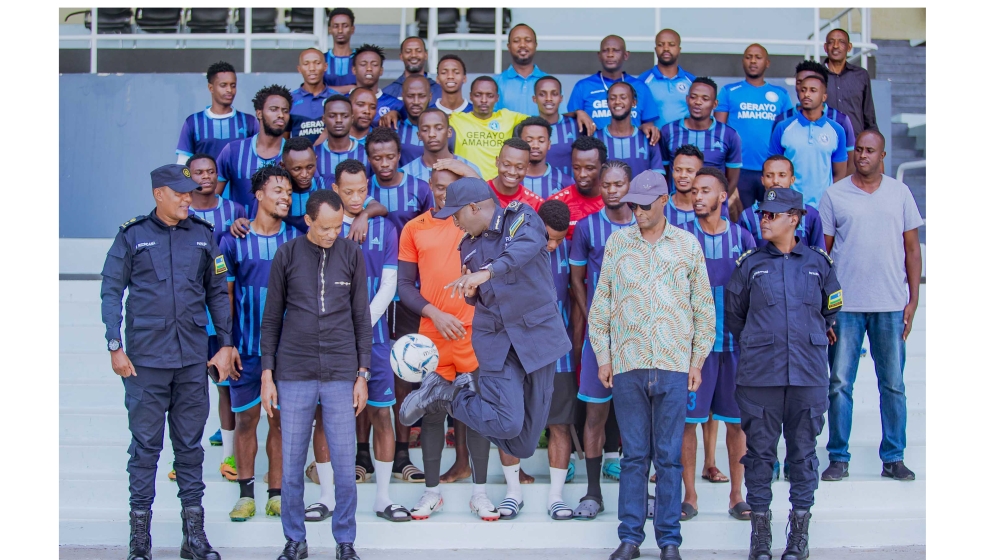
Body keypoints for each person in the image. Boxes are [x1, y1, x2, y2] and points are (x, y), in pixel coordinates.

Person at [101, 163, 238, 560]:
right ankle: (139, 542)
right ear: (158, 193)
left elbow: (217, 292)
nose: (187, 198)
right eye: (179, 192)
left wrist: (225, 344)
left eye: (190, 191)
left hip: (192, 361)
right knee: (145, 449)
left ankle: (193, 537)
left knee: (190, 449)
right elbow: (111, 291)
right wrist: (114, 344)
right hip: (144, 363)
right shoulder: (133, 236)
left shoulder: (202, 236)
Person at [398, 178, 573, 469]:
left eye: (456, 215)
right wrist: (472, 294)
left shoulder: (521, 218)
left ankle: (452, 395)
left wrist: (487, 273)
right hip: (497, 343)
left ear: (474, 207)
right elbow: (482, 298)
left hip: (537, 340)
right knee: (506, 424)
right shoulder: (467, 246)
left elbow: (527, 247)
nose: (454, 223)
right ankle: (448, 395)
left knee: (525, 444)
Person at [589, 169, 715, 560]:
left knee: (669, 457)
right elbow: (602, 306)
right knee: (633, 456)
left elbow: (703, 309)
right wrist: (604, 356)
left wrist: (697, 361)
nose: (637, 211)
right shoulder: (617, 243)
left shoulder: (687, 245)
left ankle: (669, 540)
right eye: (632, 205)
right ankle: (630, 538)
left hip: (675, 364)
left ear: (663, 201)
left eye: (644, 205)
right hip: (628, 363)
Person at [725, 187, 842, 560]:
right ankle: (760, 536)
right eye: (762, 213)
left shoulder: (818, 263)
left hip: (808, 375)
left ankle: (798, 536)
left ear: (794, 218)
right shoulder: (750, 264)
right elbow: (734, 317)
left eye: (773, 215)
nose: (764, 219)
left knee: (804, 456)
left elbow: (831, 307)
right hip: (760, 377)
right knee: (759, 456)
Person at [258, 189, 370, 560]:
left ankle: (345, 542)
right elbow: (272, 317)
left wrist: (362, 374)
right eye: (325, 228)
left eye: (338, 227)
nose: (332, 234)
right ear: (308, 221)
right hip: (294, 371)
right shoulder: (287, 254)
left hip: (341, 370)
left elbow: (361, 318)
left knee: (343, 462)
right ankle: (295, 540)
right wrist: (267, 374)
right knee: (291, 463)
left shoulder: (352, 254)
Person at [397, 166, 500, 521]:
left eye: (453, 189)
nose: (445, 195)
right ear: (430, 187)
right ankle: (431, 492)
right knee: (432, 412)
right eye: (439, 187)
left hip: (476, 332)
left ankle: (480, 494)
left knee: (478, 412)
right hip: (434, 334)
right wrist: (436, 314)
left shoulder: (478, 220)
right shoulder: (414, 228)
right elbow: (404, 286)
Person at [819, 130, 922, 482]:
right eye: (858, 150)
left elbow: (912, 249)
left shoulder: (900, 193)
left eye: (870, 151)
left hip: (890, 304)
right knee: (839, 383)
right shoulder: (834, 195)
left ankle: (894, 457)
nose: (862, 156)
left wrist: (913, 299)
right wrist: (825, 308)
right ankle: (838, 457)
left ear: (883, 154)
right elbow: (823, 255)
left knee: (892, 383)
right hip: (846, 306)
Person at [325, 159, 412, 522]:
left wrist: (359, 325)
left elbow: (390, 284)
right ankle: (329, 498)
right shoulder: (325, 228)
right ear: (335, 190)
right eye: (348, 192)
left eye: (362, 190)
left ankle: (383, 497)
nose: (357, 197)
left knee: (381, 413)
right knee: (328, 415)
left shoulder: (384, 228)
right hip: (330, 339)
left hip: (374, 340)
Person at [218, 165, 301, 523]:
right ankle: (246, 495)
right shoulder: (232, 240)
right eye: (278, 190)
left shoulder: (296, 240)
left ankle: (277, 494)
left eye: (289, 192)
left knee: (280, 422)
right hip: (245, 350)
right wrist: (227, 343)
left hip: (287, 352)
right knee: (247, 420)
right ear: (258, 195)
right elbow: (224, 297)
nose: (286, 196)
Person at [679, 167, 756, 524]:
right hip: (695, 351)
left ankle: (736, 496)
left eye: (705, 190)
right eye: (694, 191)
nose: (697, 196)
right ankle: (690, 495)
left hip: (735, 347)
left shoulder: (743, 238)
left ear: (722, 197)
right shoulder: (680, 238)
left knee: (737, 425)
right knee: (688, 424)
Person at [365, 126, 434, 482]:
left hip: (409, 292)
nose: (384, 163)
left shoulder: (419, 189)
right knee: (367, 368)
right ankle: (364, 452)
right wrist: (366, 211)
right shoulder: (363, 189)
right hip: (372, 293)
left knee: (405, 369)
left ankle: (403, 453)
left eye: (390, 156)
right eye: (376, 158)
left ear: (399, 155)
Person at [568, 161, 635, 520]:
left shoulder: (645, 226)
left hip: (638, 336)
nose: (611, 190)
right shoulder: (586, 227)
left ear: (629, 186)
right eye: (606, 184)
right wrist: (594, 315)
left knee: (639, 416)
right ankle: (593, 493)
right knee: (595, 413)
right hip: (601, 338)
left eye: (618, 184)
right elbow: (576, 279)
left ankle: (638, 492)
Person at [186, 153, 244, 480]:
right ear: (189, 176)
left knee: (224, 387)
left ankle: (230, 458)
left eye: (211, 171)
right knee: (188, 391)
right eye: (199, 172)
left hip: (221, 313)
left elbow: (229, 267)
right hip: (189, 316)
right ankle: (182, 458)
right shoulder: (181, 209)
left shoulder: (233, 211)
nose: (205, 177)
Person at [536, 199, 579, 520]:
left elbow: (577, 301)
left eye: (559, 239)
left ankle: (556, 496)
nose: (552, 245)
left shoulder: (569, 252)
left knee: (559, 425)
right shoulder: (515, 250)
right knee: (514, 422)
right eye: (547, 237)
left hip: (560, 357)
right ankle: (512, 493)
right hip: (522, 355)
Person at [715, 44, 793, 207]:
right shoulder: (729, 91)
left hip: (772, 171)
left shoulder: (781, 94)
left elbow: (789, 132)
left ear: (767, 63)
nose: (753, 61)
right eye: (749, 57)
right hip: (739, 170)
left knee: (774, 218)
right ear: (743, 61)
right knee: (740, 220)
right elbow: (718, 132)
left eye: (758, 57)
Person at [659, 77, 743, 222]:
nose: (698, 102)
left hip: (713, 212)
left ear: (715, 103)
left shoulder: (729, 135)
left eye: (705, 98)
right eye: (693, 97)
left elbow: (732, 179)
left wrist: (715, 204)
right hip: (676, 211)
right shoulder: (668, 131)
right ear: (687, 99)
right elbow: (664, 174)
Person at [768, 66, 848, 209]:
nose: (806, 94)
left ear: (824, 97)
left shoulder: (837, 130)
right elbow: (772, 169)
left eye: (813, 90)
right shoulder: (783, 127)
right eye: (803, 90)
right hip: (789, 207)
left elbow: (840, 174)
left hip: (823, 208)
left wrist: (831, 204)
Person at [568, 35, 662, 138]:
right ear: (599, 55)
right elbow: (567, 121)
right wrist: (578, 112)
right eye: (605, 51)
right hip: (594, 150)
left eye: (616, 50)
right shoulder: (583, 86)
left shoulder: (640, 87)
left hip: (632, 148)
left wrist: (646, 128)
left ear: (626, 55)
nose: (610, 55)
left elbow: (648, 125)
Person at [773, 60, 857, 174]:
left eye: (812, 87)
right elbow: (774, 165)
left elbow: (848, 166)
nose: (806, 91)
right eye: (800, 83)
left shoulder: (840, 121)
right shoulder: (782, 121)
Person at [215, 84, 291, 209]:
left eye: (285, 111)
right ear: (259, 113)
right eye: (273, 109)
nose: (281, 115)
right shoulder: (233, 151)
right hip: (240, 227)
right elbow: (211, 198)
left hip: (281, 227)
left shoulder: (294, 154)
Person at [176, 61, 258, 165]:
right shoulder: (193, 122)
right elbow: (183, 163)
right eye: (223, 85)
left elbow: (259, 157)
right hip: (204, 182)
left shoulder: (249, 121)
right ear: (211, 88)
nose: (229, 90)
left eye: (233, 85)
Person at [450, 76, 529, 180]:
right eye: (478, 95)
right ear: (470, 96)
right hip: (467, 186)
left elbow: (542, 123)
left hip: (499, 187)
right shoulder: (455, 119)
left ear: (497, 98)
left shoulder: (509, 118)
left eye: (490, 96)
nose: (483, 100)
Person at [740, 155, 823, 248]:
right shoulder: (748, 216)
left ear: (792, 180)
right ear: (762, 180)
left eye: (782, 175)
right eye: (769, 176)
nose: (775, 181)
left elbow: (819, 256)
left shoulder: (810, 214)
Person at [594, 82, 666, 175]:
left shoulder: (648, 138)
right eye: (612, 98)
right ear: (607, 103)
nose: (617, 101)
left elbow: (657, 179)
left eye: (623, 97)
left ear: (634, 102)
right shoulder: (595, 138)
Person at [546, 135, 609, 240]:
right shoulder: (557, 204)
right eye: (576, 168)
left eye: (589, 168)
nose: (582, 174)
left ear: (603, 168)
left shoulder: (614, 201)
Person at [823, 29, 878, 138]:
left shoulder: (861, 75)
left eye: (841, 42)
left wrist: (873, 139)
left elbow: (868, 114)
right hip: (825, 141)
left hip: (855, 142)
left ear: (849, 47)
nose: (836, 46)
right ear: (825, 47)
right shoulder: (816, 75)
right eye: (831, 42)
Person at [400, 108, 480, 182]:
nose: (432, 134)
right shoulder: (406, 174)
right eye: (425, 130)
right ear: (419, 135)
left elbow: (488, 196)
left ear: (449, 132)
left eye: (438, 128)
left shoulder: (470, 169)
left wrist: (470, 173)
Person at [638, 29, 696, 127]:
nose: (666, 48)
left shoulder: (692, 81)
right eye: (661, 45)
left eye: (671, 44)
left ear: (679, 49)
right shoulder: (642, 81)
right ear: (655, 49)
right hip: (654, 141)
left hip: (685, 140)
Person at [314, 95, 369, 188]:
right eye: (332, 116)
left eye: (344, 116)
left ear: (352, 119)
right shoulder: (313, 154)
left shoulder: (366, 154)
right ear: (324, 119)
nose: (339, 120)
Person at [495, 23, 548, 116]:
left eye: (528, 40)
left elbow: (560, 120)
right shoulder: (495, 83)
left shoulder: (550, 82)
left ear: (535, 45)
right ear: (509, 47)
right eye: (516, 41)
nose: (522, 45)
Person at [516, 116, 574, 199]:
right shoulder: (511, 179)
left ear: (549, 144)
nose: (535, 145)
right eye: (529, 140)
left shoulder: (565, 182)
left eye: (541, 141)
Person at [289, 48, 337, 143]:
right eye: (306, 64)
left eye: (317, 63)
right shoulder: (290, 99)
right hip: (298, 156)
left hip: (329, 156)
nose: (312, 68)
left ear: (325, 66)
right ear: (299, 69)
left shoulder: (337, 99)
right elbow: (284, 138)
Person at [533, 76, 578, 175]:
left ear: (561, 98)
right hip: (535, 189)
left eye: (554, 94)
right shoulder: (527, 128)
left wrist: (578, 113)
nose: (548, 99)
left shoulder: (576, 125)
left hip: (570, 188)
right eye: (542, 94)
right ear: (534, 99)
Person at [488, 138, 544, 211]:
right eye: (506, 164)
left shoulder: (535, 204)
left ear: (527, 168)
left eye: (519, 167)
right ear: (497, 162)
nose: (512, 172)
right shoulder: (478, 195)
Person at [351, 44, 404, 121]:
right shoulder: (343, 101)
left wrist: (397, 113)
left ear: (381, 71)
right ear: (354, 70)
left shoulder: (396, 104)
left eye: (374, 64)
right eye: (363, 64)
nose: (369, 68)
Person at [382, 36, 442, 102]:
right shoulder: (388, 93)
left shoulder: (440, 92)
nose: (413, 55)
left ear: (426, 55)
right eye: (408, 51)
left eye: (418, 51)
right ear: (401, 57)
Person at [394, 75, 434, 166]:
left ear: (430, 97)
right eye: (410, 96)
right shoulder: (394, 128)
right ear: (402, 96)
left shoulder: (442, 129)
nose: (416, 102)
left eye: (422, 96)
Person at [664, 144, 702, 229]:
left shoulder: (709, 208)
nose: (683, 175)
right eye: (678, 170)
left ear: (700, 173)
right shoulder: (660, 207)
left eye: (689, 171)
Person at [324, 8, 357, 91]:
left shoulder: (361, 59)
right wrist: (352, 88)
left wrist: (327, 89)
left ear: (352, 29)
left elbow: (366, 87)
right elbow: (315, 90)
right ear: (329, 30)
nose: (340, 30)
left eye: (345, 26)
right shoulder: (321, 59)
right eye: (336, 26)